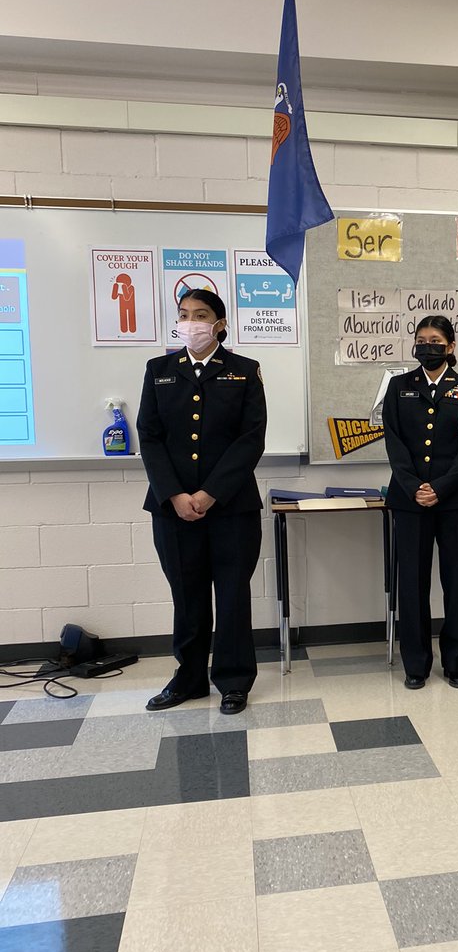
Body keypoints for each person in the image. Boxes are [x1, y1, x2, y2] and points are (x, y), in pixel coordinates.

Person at [137, 288, 267, 714]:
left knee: (232, 596)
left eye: (200, 314)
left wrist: (210, 493)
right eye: (184, 314)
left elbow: (251, 439)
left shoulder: (244, 371)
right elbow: (150, 437)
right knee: (187, 595)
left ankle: (233, 681)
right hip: (173, 509)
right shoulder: (159, 370)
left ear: (219, 324)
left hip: (232, 507)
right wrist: (175, 494)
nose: (190, 322)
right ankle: (188, 679)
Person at [383, 315, 458, 690]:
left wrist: (440, 487)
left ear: (451, 346)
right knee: (412, 583)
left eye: (435, 340)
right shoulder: (398, 386)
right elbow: (394, 443)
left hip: (453, 500)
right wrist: (415, 487)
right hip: (409, 501)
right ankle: (416, 665)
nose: (428, 346)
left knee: (456, 583)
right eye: (421, 340)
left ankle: (456, 663)